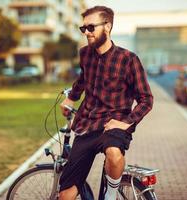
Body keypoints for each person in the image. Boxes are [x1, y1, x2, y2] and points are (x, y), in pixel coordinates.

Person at [59, 5, 153, 200]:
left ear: (107, 26)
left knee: (113, 152)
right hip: (86, 125)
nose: (87, 32)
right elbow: (83, 79)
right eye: (83, 28)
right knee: (66, 194)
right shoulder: (85, 54)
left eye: (91, 27)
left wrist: (126, 122)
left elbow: (146, 99)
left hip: (114, 124)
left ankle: (110, 196)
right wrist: (71, 98)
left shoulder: (128, 59)